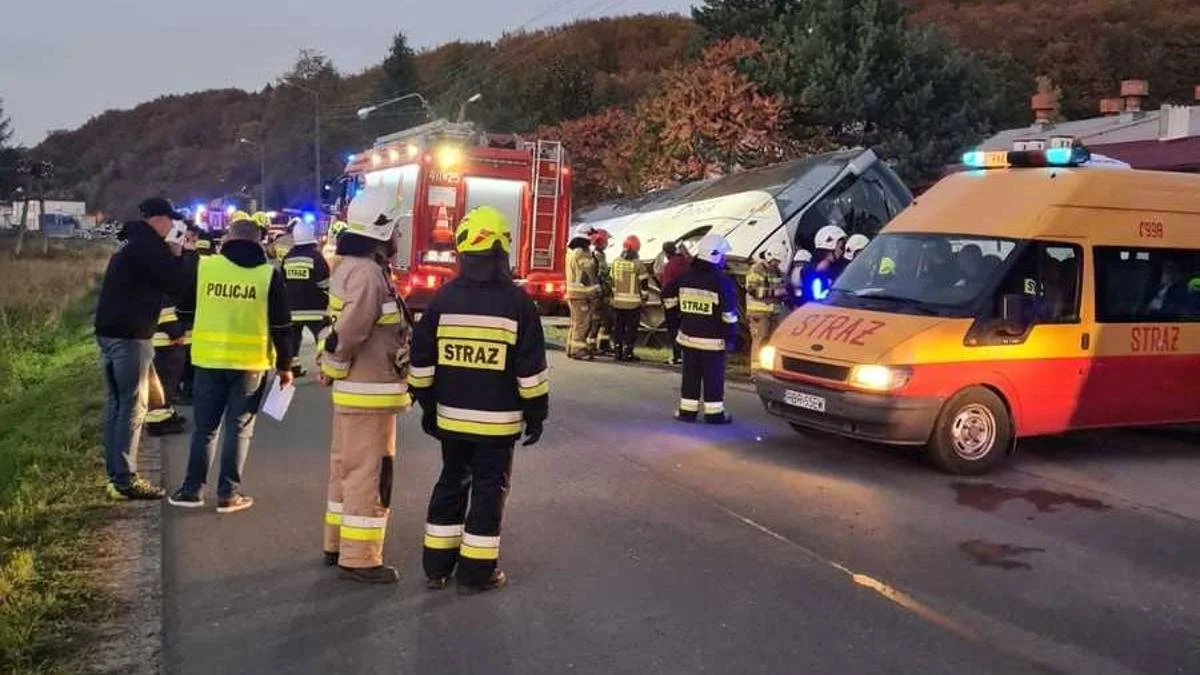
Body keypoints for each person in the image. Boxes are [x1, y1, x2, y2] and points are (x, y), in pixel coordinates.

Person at [408, 205, 548, 594]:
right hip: (498, 423)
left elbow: (421, 361)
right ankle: (476, 574)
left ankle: (436, 567)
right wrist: (536, 415)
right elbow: (530, 372)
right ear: (503, 250)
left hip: (451, 419)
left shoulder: (442, 300)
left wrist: (428, 406)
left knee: (450, 481)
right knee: (489, 490)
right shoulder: (518, 305)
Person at [167, 219, 295, 514]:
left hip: (208, 360)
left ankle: (191, 490)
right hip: (250, 365)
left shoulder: (205, 267)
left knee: (205, 429)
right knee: (239, 430)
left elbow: (183, 310)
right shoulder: (268, 276)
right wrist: (285, 365)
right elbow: (282, 326)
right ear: (259, 243)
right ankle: (228, 495)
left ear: (228, 240)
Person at [317, 208, 413, 584]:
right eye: (396, 231)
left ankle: (337, 543)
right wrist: (333, 363)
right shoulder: (371, 275)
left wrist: (332, 368)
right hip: (370, 392)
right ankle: (359, 558)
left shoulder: (349, 267)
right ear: (382, 230)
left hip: (356, 391)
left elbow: (342, 334)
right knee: (370, 475)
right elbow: (349, 334)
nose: (399, 239)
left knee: (345, 468)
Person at [94, 198, 186, 500]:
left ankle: (115, 475)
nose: (172, 226)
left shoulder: (129, 243)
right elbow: (176, 283)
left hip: (109, 331)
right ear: (158, 219)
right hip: (131, 335)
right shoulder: (150, 246)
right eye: (170, 221)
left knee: (117, 405)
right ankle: (125, 480)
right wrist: (176, 253)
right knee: (133, 407)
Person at [661, 234, 739, 425]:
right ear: (715, 256)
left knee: (690, 375)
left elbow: (667, 296)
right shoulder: (721, 281)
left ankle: (687, 411)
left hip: (688, 337)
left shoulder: (686, 276)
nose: (724, 259)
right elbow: (729, 314)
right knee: (713, 377)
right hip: (713, 341)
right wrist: (731, 338)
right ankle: (714, 414)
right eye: (722, 256)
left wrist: (676, 319)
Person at [282, 218, 331, 378]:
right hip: (315, 309)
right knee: (323, 336)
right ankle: (325, 367)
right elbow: (324, 282)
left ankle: (293, 367)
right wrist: (329, 295)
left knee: (293, 339)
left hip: (292, 309)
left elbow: (283, 282)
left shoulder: (288, 258)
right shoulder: (316, 258)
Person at [610, 235, 649, 362]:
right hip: (633, 303)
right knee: (631, 329)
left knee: (618, 328)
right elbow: (644, 283)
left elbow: (611, 280)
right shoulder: (638, 264)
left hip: (617, 302)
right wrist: (645, 297)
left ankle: (617, 351)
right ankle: (628, 352)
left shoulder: (616, 262)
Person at [745, 249, 786, 364]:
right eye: (775, 261)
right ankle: (755, 371)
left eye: (778, 262)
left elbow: (782, 287)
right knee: (759, 340)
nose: (776, 264)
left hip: (773, 313)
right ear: (769, 257)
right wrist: (774, 293)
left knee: (770, 342)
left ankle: (765, 366)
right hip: (758, 313)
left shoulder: (777, 271)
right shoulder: (756, 269)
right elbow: (752, 290)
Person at [565, 229, 599, 360]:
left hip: (573, 293)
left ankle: (571, 348)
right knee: (582, 323)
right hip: (581, 294)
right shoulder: (583, 253)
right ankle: (579, 350)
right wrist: (596, 288)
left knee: (575, 322)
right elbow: (588, 273)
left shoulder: (571, 252)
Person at [659, 241, 690, 365]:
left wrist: (663, 297)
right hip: (687, 299)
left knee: (673, 329)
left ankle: (676, 356)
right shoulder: (686, 263)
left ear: (666, 252)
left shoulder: (669, 266)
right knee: (685, 327)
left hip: (672, 301)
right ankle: (686, 355)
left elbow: (667, 285)